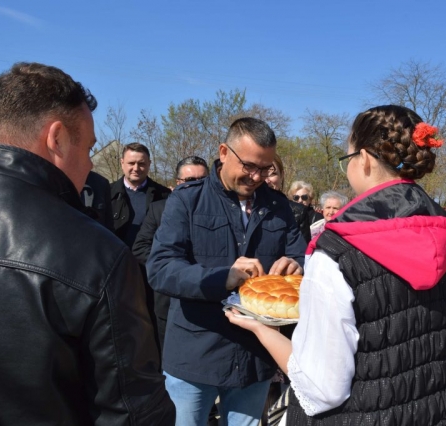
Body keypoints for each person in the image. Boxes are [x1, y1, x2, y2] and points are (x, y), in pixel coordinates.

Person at [227, 105, 446, 425]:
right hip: (443, 413)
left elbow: (323, 388)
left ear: (365, 159)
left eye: (347, 160)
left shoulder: (337, 251)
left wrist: (261, 328)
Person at [0, 62, 174, 425]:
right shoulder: (97, 257)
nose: (88, 166)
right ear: (56, 139)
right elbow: (133, 413)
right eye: (87, 148)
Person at [147, 117, 307, 426]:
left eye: (265, 168)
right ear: (223, 152)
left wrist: (296, 264)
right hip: (195, 354)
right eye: (249, 166)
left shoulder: (278, 206)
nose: (257, 176)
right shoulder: (186, 201)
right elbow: (161, 268)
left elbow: (299, 252)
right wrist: (224, 277)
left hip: (255, 358)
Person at [133, 155, 210, 350]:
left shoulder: (219, 211)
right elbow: (140, 247)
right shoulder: (159, 209)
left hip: (209, 299)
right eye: (191, 181)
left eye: (203, 180)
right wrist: (173, 266)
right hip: (169, 301)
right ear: (178, 183)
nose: (197, 186)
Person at [111, 142, 171, 248]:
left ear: (149, 164)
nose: (136, 168)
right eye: (131, 163)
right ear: (122, 163)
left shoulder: (164, 195)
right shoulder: (107, 192)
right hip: (115, 261)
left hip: (148, 261)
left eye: (141, 164)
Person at [266, 154, 312, 243]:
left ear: (282, 175)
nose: (267, 180)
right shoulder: (244, 208)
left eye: (273, 174)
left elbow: (303, 252)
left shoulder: (298, 211)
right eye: (263, 173)